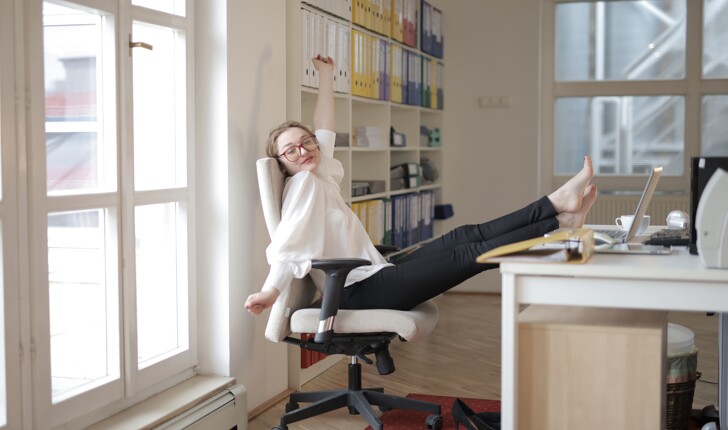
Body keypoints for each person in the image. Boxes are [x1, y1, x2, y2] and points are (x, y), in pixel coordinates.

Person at [245, 55, 598, 315]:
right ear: (283, 164)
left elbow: (325, 130)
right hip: (359, 292)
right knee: (467, 254)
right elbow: (288, 245)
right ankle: (558, 221)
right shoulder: (304, 184)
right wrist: (270, 292)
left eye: (307, 142)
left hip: (376, 273)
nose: (304, 150)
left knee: (464, 235)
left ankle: (558, 211)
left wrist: (325, 76)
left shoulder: (318, 172)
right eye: (291, 150)